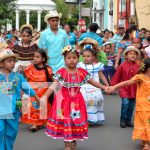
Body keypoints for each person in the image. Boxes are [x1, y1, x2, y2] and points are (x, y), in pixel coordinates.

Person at [41, 45, 107, 150]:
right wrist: (45, 96)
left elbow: (93, 81)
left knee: (74, 120)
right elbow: (54, 85)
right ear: (64, 59)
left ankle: (73, 139)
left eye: (74, 58)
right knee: (66, 121)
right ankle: (67, 145)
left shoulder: (81, 72)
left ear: (78, 59)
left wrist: (104, 87)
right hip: (63, 102)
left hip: (77, 102)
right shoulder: (61, 72)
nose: (72, 60)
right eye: (69, 58)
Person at [0, 49, 39, 150]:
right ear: (1, 63)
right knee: (0, 131)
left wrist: (36, 97)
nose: (12, 63)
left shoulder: (18, 76)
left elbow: (27, 88)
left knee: (11, 133)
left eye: (14, 61)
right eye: (9, 61)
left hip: (14, 110)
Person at [107, 58, 150, 150]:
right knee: (145, 124)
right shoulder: (140, 77)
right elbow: (127, 82)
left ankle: (145, 140)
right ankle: (146, 143)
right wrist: (114, 86)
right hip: (143, 107)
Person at [21, 49, 54, 131]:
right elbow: (26, 80)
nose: (35, 59)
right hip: (33, 92)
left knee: (42, 107)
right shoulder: (31, 68)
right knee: (33, 107)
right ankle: (35, 123)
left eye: (37, 57)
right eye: (34, 57)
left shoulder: (48, 69)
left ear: (43, 59)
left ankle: (39, 122)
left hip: (44, 92)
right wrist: (22, 90)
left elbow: (54, 80)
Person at [78, 44, 109, 124]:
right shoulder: (80, 66)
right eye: (84, 56)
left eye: (88, 56)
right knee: (83, 101)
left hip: (95, 87)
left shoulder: (97, 66)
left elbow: (102, 76)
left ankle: (92, 118)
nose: (86, 58)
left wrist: (107, 85)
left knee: (94, 101)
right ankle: (83, 118)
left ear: (93, 57)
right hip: (83, 87)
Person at [111, 46, 141, 128]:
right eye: (130, 53)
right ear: (126, 56)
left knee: (131, 105)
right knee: (125, 104)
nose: (133, 55)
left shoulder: (139, 65)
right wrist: (113, 86)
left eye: (135, 54)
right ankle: (123, 120)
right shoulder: (122, 65)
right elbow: (117, 76)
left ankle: (128, 120)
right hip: (124, 88)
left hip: (135, 88)